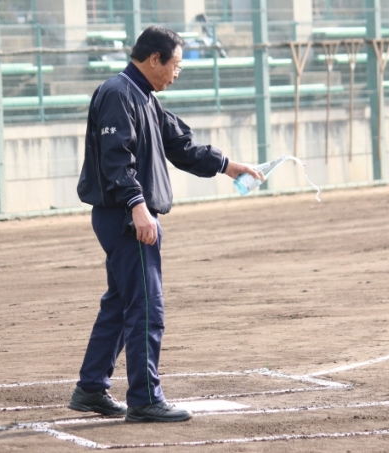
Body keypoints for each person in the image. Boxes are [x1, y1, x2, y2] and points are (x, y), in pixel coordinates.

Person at [69, 25, 262, 423]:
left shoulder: (143, 97)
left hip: (126, 213)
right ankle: (144, 399)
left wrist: (228, 165)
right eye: (175, 64)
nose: (177, 73)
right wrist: (137, 205)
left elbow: (181, 145)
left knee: (121, 302)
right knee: (145, 306)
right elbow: (115, 157)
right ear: (154, 59)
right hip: (125, 216)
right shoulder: (119, 93)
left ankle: (91, 388)